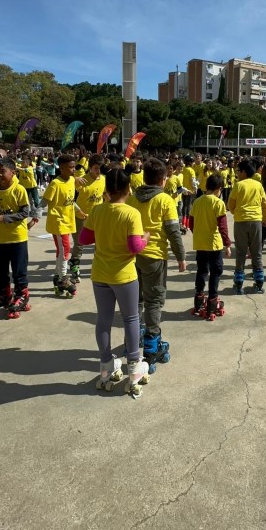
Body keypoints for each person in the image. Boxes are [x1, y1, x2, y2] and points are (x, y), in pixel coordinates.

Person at [78, 168, 150, 397]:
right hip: (123, 275)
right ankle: (134, 365)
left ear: (107, 189)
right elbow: (135, 247)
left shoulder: (97, 210)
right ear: (128, 188)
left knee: (104, 319)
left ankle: (106, 364)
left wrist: (103, 233)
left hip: (100, 274)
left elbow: (84, 239)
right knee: (131, 318)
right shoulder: (131, 213)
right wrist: (145, 238)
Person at [128, 157, 186, 373]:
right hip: (154, 257)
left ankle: (133, 340)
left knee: (136, 300)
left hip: (133, 256)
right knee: (153, 301)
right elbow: (173, 232)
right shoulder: (165, 200)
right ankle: (152, 347)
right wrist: (181, 257)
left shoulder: (132, 199)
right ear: (163, 180)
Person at [0, 157, 31, 318]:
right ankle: (4, 295)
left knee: (19, 271)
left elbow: (25, 213)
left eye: (3, 172)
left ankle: (21, 295)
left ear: (13, 172)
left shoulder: (19, 189)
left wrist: (2, 218)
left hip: (17, 239)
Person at [41, 154, 87, 297]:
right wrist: (34, 218)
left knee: (61, 250)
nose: (74, 170)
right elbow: (44, 201)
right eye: (71, 167)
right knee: (65, 249)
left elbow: (70, 200)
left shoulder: (72, 180)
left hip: (68, 221)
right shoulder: (55, 184)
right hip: (58, 223)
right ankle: (63, 278)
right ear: (61, 168)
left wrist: (79, 211)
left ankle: (57, 276)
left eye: (74, 167)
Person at [189, 172, 232, 319]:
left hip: (200, 243)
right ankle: (212, 300)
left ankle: (199, 299)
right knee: (215, 272)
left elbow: (191, 223)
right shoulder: (218, 203)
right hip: (214, 244)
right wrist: (227, 244)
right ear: (219, 189)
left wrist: (199, 233)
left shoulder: (197, 202)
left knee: (201, 271)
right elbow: (222, 226)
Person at [228, 158, 266, 294]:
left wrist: (237, 213)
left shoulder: (238, 185)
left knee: (241, 252)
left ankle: (239, 282)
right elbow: (265, 204)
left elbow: (230, 205)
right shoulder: (258, 185)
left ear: (244, 172)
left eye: (239, 171)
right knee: (256, 252)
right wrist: (264, 218)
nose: (237, 173)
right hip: (256, 221)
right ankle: (259, 281)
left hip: (241, 222)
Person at [69, 154, 106, 282]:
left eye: (100, 168)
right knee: (80, 243)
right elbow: (65, 186)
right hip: (81, 216)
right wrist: (74, 179)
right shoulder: (82, 180)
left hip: (98, 217)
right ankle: (74, 266)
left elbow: (105, 195)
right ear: (90, 168)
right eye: (95, 168)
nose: (98, 171)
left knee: (100, 243)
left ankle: (99, 266)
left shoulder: (103, 179)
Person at [181, 155, 197, 234]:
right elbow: (193, 181)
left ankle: (183, 223)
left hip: (183, 190)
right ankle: (187, 224)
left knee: (184, 206)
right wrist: (195, 188)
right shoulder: (191, 170)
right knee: (188, 207)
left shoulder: (183, 169)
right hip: (190, 191)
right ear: (190, 162)